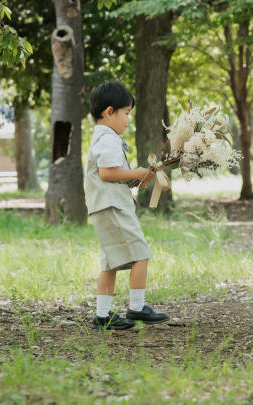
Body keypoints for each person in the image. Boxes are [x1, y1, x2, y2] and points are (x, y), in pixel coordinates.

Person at [86, 81, 170, 330]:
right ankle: (136, 307)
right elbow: (107, 173)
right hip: (113, 207)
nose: (128, 120)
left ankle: (103, 315)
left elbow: (112, 175)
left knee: (110, 261)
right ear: (109, 112)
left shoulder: (101, 137)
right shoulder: (108, 139)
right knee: (141, 253)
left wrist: (134, 179)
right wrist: (138, 171)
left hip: (104, 205)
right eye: (126, 113)